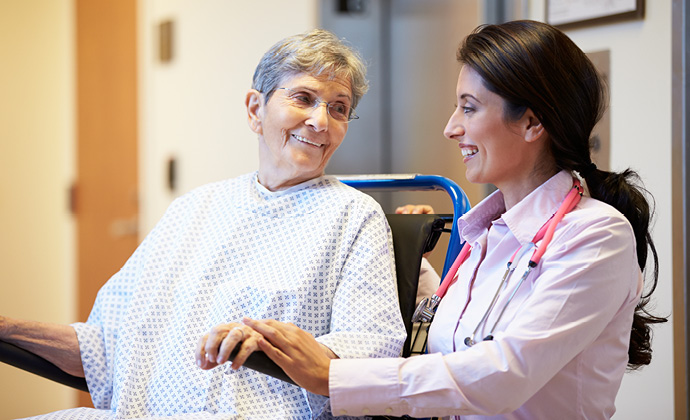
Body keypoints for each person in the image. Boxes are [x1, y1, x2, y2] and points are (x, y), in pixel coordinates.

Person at [239, 20, 667, 419]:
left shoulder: (596, 235)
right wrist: (414, 265)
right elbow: (457, 337)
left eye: (469, 108)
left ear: (532, 121)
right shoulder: (487, 237)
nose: (451, 128)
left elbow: (502, 373)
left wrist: (330, 376)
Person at [0, 29, 406, 419]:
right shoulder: (193, 208)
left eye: (339, 108)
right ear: (254, 109)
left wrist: (273, 345)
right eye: (303, 98)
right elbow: (104, 347)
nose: (321, 121)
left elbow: (368, 354)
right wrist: (8, 326)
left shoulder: (354, 216)